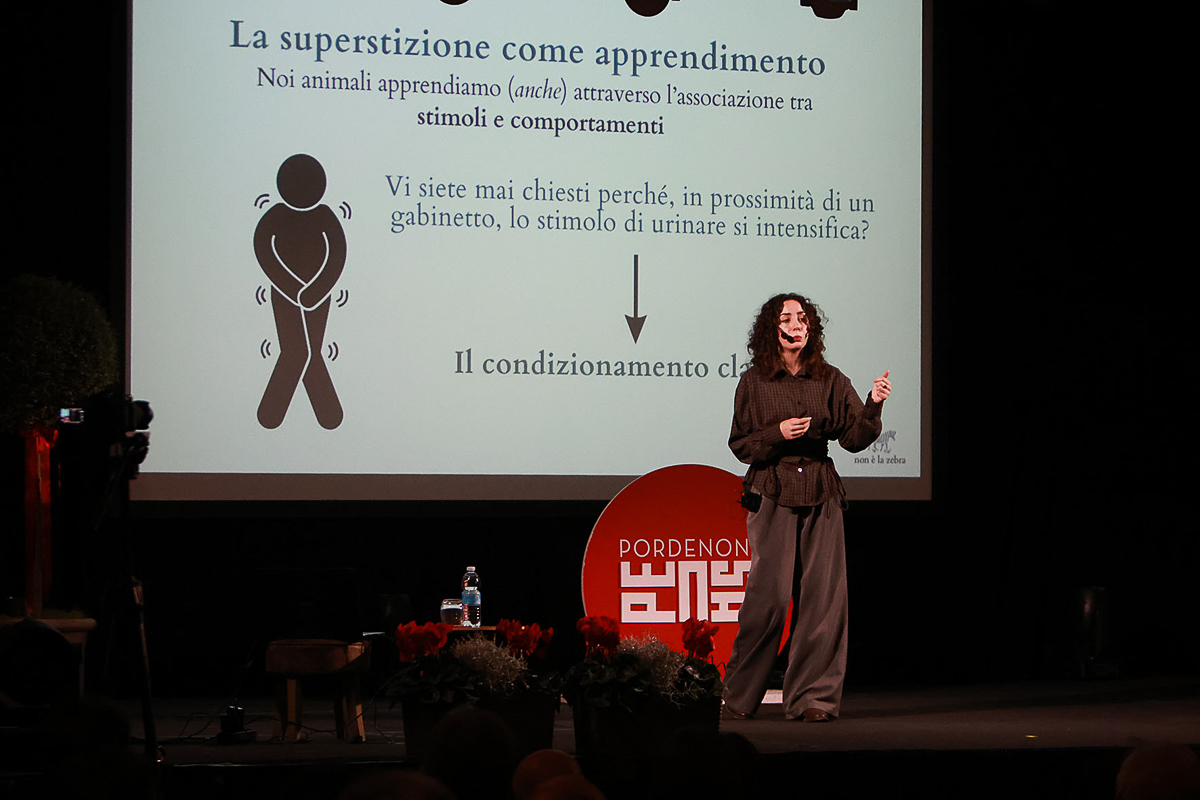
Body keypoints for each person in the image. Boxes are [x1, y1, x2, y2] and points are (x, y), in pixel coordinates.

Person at [722, 293, 891, 722]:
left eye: (802, 318)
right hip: (772, 487)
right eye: (786, 318)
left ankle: (813, 699)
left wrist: (874, 403)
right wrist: (777, 433)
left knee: (823, 600)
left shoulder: (830, 378)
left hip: (820, 488)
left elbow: (853, 439)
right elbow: (740, 445)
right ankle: (738, 696)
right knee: (770, 600)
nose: (796, 325)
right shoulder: (754, 382)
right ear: (771, 329)